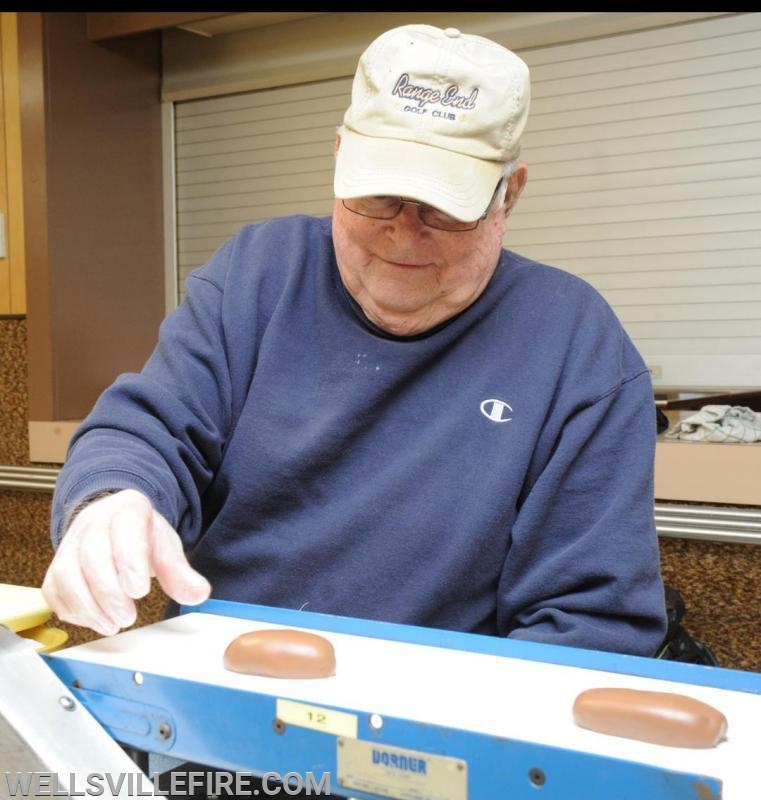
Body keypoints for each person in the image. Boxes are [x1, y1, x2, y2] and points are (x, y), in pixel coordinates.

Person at [42, 23, 667, 656]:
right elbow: (150, 429)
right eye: (381, 198)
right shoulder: (258, 274)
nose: (403, 235)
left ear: (510, 195)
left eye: (443, 209)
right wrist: (111, 499)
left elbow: (591, 620)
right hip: (222, 683)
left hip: (443, 728)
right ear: (340, 159)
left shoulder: (575, 345)